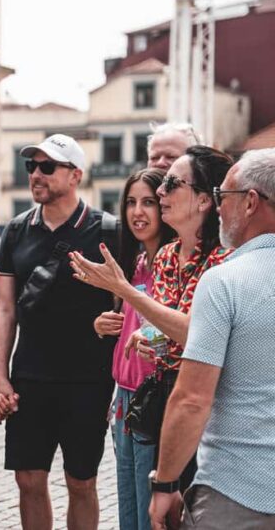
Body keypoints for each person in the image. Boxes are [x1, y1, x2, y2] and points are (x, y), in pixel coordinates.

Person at [70, 145, 234, 492]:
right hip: (162, 400)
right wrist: (151, 340)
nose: (161, 191)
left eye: (172, 184)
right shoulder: (166, 256)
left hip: (207, 412)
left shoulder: (224, 261)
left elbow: (197, 335)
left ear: (204, 200)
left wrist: (124, 290)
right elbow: (166, 328)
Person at [0, 134, 117, 530]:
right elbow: (5, 306)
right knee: (28, 479)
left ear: (75, 175)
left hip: (88, 378)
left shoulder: (107, 229)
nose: (36, 175)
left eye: (48, 167)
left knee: (81, 481)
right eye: (32, 167)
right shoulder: (15, 231)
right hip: (30, 374)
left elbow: (125, 301)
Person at [149, 149, 275, 529]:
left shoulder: (224, 282)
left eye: (224, 197)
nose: (218, 208)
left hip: (238, 491)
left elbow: (192, 399)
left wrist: (166, 482)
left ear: (251, 202)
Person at [92, 169, 174, 530]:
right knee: (127, 504)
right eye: (131, 203)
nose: (137, 212)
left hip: (155, 398)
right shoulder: (136, 263)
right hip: (124, 397)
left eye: (148, 202)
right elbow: (133, 324)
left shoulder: (176, 265)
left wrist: (150, 337)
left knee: (148, 509)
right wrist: (103, 325)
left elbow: (178, 328)